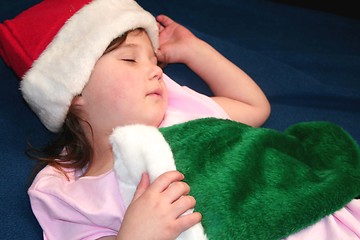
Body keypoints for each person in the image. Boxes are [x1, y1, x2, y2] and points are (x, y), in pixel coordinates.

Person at [1, 0, 358, 240]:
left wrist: (194, 50)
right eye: (130, 60)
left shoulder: (181, 109)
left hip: (313, 209)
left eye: (155, 61)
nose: (156, 72)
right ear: (73, 91)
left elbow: (253, 108)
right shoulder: (65, 190)